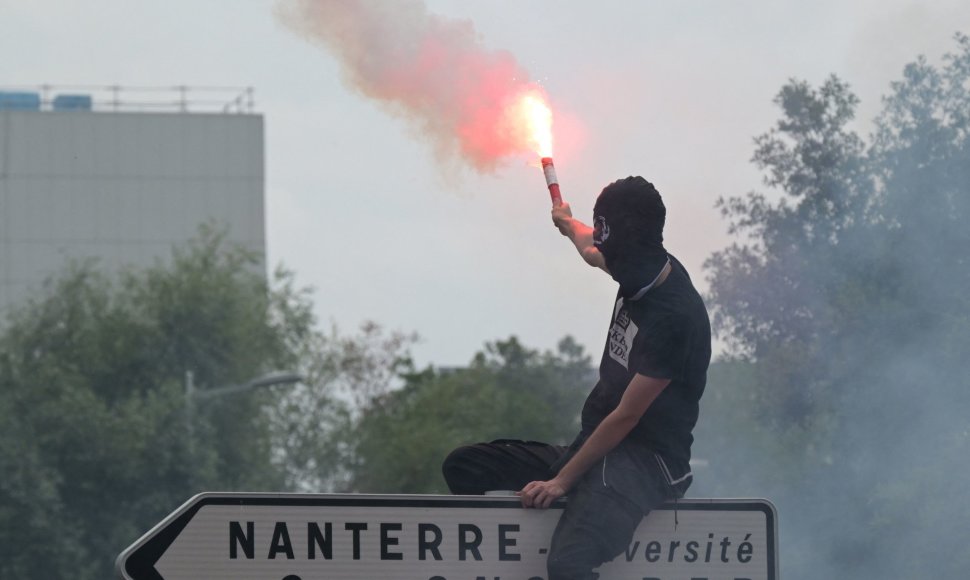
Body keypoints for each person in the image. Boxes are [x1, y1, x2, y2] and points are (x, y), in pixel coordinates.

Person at [441, 176, 712, 580]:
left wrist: (561, 481)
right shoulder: (635, 265)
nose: (602, 255)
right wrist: (567, 221)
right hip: (599, 447)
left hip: (649, 463)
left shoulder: (675, 317)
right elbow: (589, 248)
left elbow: (627, 416)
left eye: (609, 247)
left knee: (568, 563)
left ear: (631, 245)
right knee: (465, 467)